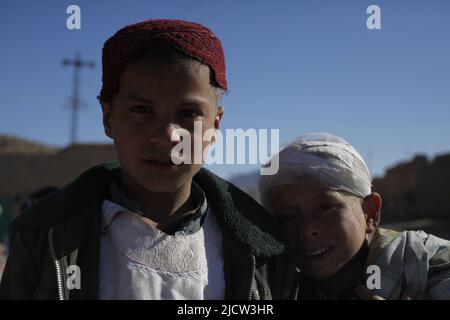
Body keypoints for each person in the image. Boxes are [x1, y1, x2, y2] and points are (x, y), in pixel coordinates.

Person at [0, 19, 296, 300]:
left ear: (215, 125)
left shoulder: (263, 250)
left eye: (188, 113)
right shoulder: (44, 237)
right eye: (141, 111)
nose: (167, 135)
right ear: (108, 117)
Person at [259, 132, 450, 300]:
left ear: (369, 213)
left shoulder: (429, 265)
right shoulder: (279, 289)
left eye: (325, 208)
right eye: (287, 217)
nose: (307, 229)